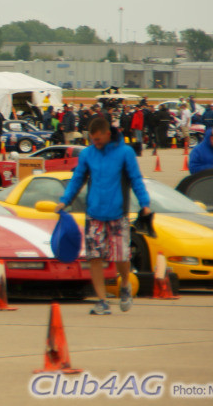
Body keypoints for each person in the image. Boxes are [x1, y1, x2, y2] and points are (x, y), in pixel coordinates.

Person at [54, 117, 151, 316]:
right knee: (95, 258)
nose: (95, 142)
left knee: (121, 256)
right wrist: (65, 201)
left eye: (98, 139)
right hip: (94, 214)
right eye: (92, 139)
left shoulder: (125, 152)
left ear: (108, 133)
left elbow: (136, 180)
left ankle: (125, 283)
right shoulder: (88, 154)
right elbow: (77, 179)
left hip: (117, 214)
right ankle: (102, 301)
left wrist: (145, 204)